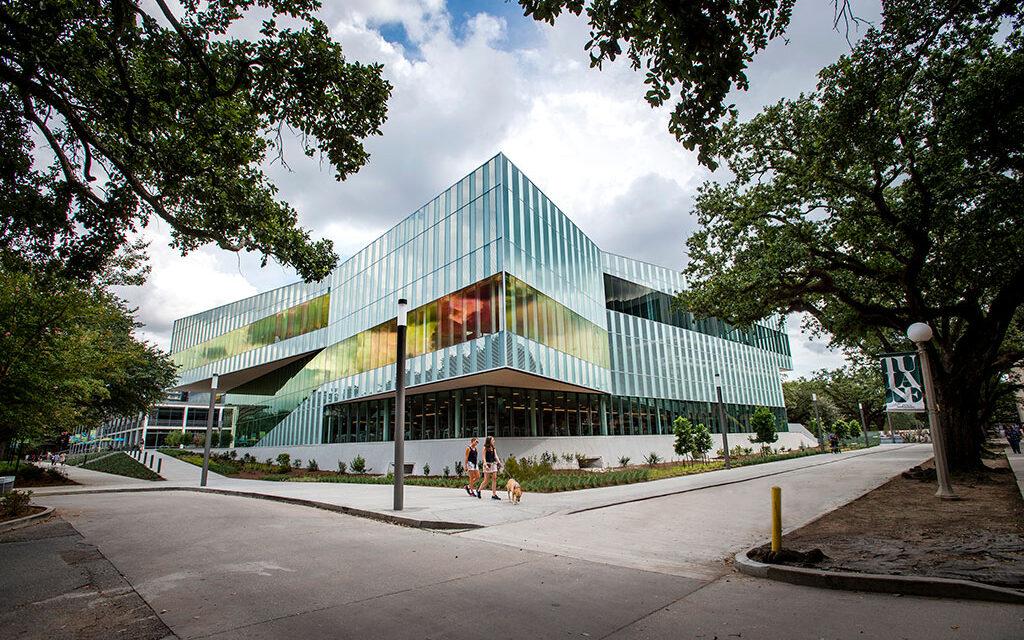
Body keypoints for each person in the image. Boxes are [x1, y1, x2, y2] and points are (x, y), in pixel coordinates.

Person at [477, 435, 502, 500]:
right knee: (486, 480)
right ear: (489, 441)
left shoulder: (493, 447)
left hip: (493, 464)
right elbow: (483, 457)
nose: (494, 441)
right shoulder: (485, 448)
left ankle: (494, 495)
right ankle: (479, 490)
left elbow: (495, 456)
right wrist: (485, 464)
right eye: (493, 440)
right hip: (487, 465)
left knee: (494, 478)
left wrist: (499, 462)